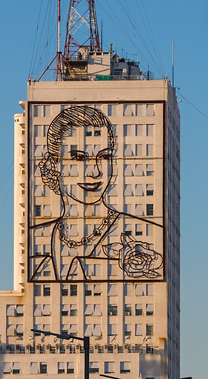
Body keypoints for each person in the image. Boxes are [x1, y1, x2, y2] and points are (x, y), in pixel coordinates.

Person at [30, 104, 164, 282]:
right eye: (79, 158)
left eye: (104, 157)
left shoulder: (148, 233)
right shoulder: (34, 237)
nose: (95, 171)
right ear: (53, 164)